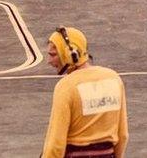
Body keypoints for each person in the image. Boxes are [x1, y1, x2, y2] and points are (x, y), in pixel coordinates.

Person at [42, 26, 128, 158]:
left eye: (53, 55)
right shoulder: (114, 79)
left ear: (70, 54)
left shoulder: (66, 86)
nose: (49, 61)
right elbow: (122, 135)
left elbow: (56, 144)